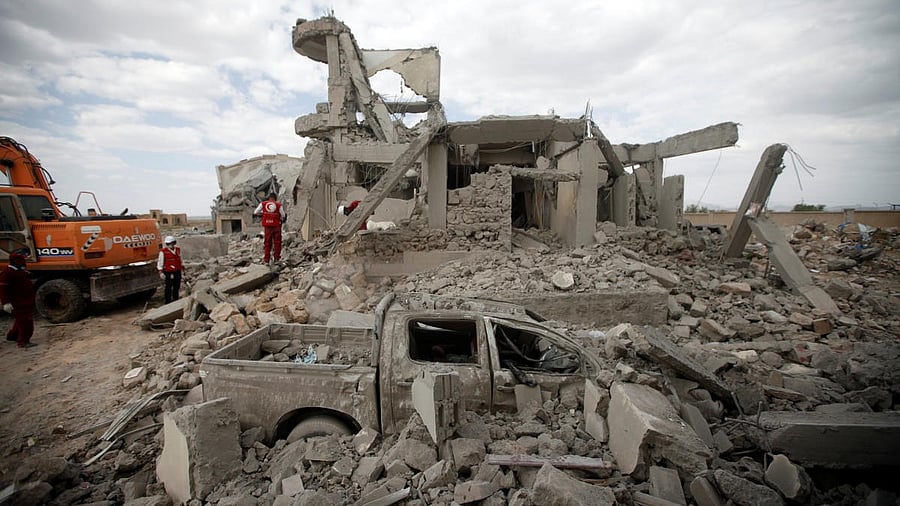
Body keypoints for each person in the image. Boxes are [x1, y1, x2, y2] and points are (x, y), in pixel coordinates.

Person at [0, 249, 37, 349]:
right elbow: (3, 288)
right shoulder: (7, 272)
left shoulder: (19, 270)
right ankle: (23, 341)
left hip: (25, 300)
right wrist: (6, 302)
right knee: (26, 322)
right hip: (18, 302)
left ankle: (12, 336)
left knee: (20, 320)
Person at [254, 193, 286, 265]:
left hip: (267, 227)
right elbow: (283, 215)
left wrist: (264, 213)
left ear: (269, 198)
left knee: (267, 243)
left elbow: (256, 212)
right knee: (277, 243)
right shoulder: (278, 205)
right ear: (275, 198)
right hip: (277, 226)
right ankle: (277, 259)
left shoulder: (263, 204)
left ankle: (266, 260)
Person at [157, 236, 183, 304]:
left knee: (176, 286)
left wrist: (182, 267)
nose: (170, 245)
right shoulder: (163, 252)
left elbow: (179, 259)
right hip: (169, 272)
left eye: (172, 243)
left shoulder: (177, 250)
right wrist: (161, 272)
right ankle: (168, 301)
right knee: (168, 287)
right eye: (169, 244)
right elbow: (160, 262)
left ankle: (175, 299)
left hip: (177, 271)